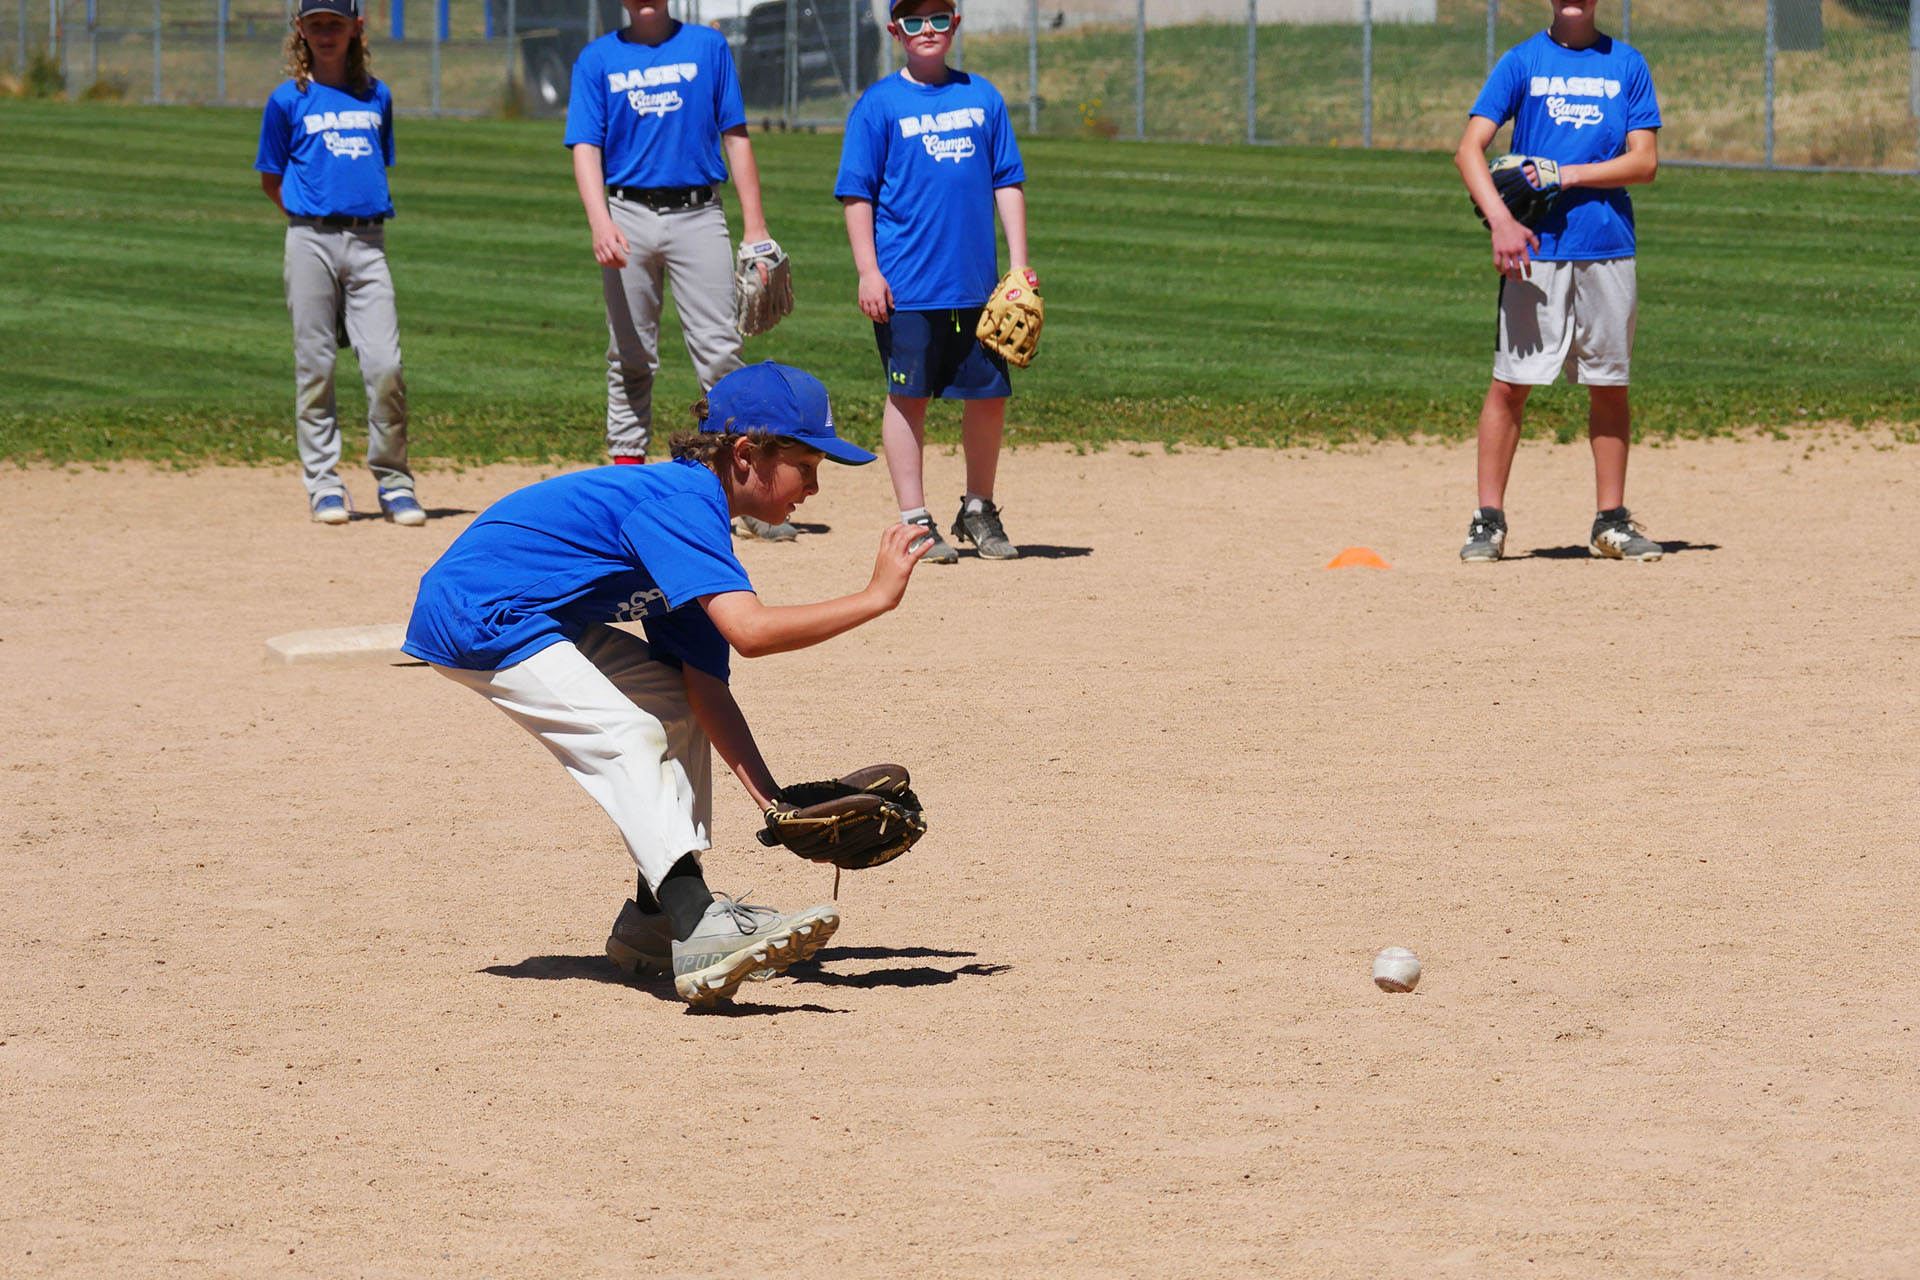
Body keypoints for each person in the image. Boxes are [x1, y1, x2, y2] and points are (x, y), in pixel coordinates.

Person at [402, 362, 931, 1008]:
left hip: (535, 614)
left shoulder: (698, 520)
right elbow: (752, 632)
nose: (813, 489)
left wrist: (774, 805)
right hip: (479, 612)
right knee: (626, 731)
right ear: (746, 455)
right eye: (806, 466)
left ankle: (656, 921)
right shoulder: (681, 505)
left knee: (674, 707)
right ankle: (700, 921)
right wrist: (875, 598)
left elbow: (705, 690)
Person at [565, 0, 795, 543]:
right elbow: (585, 147)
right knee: (630, 356)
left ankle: (743, 492)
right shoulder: (597, 59)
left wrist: (756, 226)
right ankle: (627, 490)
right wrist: (600, 221)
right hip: (626, 214)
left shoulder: (707, 47)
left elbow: (735, 135)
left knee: (720, 354)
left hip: (699, 213)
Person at [1454, 0, 1662, 563]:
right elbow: (1469, 151)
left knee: (1609, 382)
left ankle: (1610, 522)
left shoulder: (1626, 64)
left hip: (1607, 243)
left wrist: (1565, 174)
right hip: (1535, 247)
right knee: (1510, 382)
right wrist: (1501, 219)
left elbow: (1644, 163)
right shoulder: (1523, 61)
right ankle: (1488, 521)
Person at [834, 0, 1031, 563]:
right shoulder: (878, 106)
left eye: (939, 18)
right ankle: (914, 518)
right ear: (895, 30)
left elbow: (1007, 181)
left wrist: (1017, 266)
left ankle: (978, 508)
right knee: (908, 396)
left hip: (977, 286)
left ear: (955, 26)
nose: (928, 29)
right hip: (907, 285)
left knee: (988, 399)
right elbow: (857, 194)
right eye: (915, 20)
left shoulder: (983, 98)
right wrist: (868, 270)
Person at [256, 0, 423, 527]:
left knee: (385, 367)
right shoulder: (288, 100)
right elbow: (271, 177)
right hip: (309, 241)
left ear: (356, 28)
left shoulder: (377, 96)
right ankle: (324, 483)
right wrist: (311, 219)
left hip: (369, 242)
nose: (325, 34)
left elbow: (377, 163)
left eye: (335, 24)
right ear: (300, 31)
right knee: (316, 366)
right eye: (315, 24)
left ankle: (394, 480)